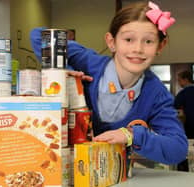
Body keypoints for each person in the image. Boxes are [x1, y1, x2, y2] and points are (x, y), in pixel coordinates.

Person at [30, 1, 188, 165]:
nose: (138, 49)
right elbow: (38, 35)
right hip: (62, 167)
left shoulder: (156, 94)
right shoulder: (89, 63)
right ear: (111, 42)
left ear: (160, 46)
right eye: (128, 39)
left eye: (148, 41)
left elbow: (177, 149)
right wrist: (62, 69)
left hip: (111, 174)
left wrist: (132, 135)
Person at [174, 70, 194, 171]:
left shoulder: (184, 93)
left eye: (179, 80)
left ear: (185, 80)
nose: (178, 83)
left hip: (190, 126)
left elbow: (173, 108)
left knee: (188, 151)